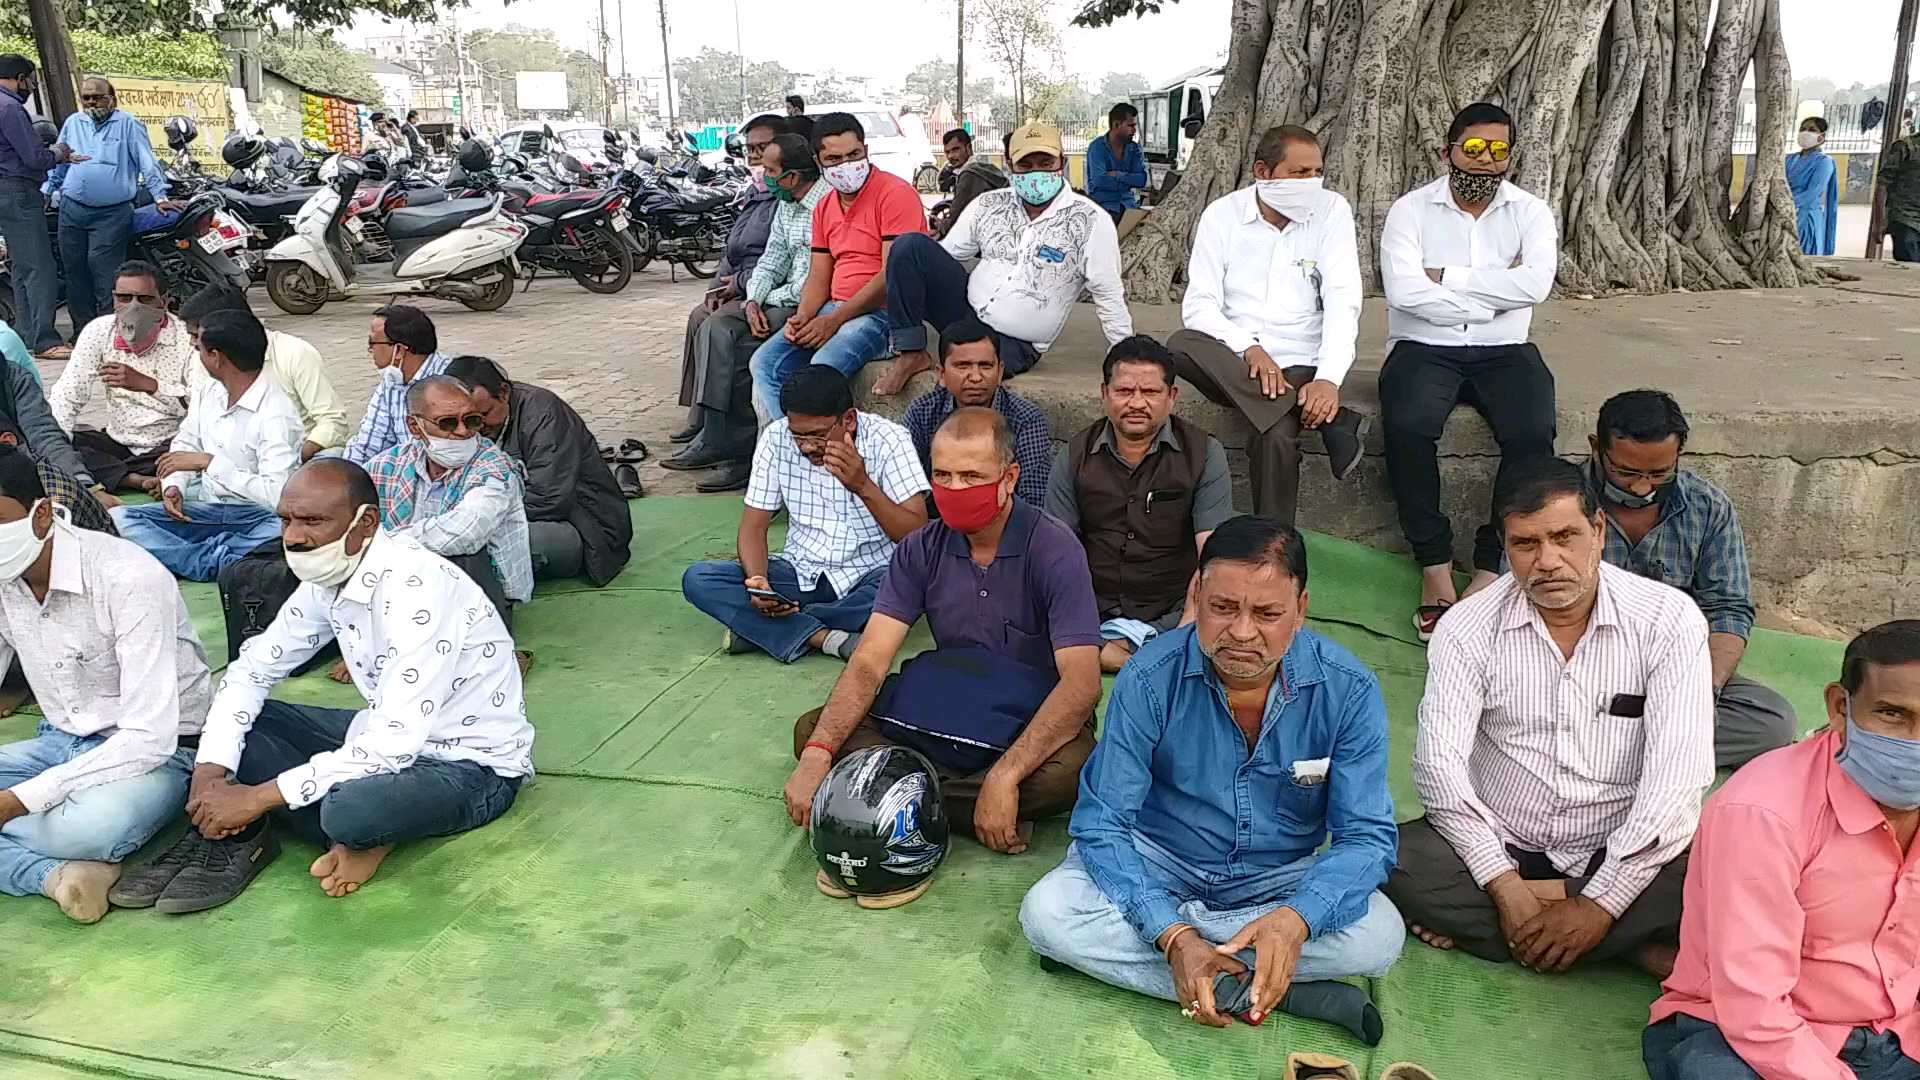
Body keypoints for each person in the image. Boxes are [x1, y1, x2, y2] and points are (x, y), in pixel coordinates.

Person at [1019, 515, 1403, 1036]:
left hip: (1278, 875)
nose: (1242, 633)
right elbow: (1103, 823)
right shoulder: (1149, 676)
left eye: (1267, 613)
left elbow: (1366, 837)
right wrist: (1172, 933)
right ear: (1197, 594)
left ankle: (1192, 962)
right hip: (1162, 858)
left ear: (1301, 610)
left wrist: (1295, 922)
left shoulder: (1348, 690)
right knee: (1047, 913)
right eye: (1223, 608)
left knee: (1380, 935)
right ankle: (1265, 987)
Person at [110, 458, 535, 911]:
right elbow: (253, 669)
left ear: (365, 522)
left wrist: (254, 798)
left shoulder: (419, 590)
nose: (292, 536)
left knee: (350, 811)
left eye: (312, 521)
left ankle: (351, 833)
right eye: (286, 519)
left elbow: (392, 748)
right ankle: (334, 835)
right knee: (212, 723)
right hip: (377, 734)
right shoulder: (330, 572)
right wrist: (209, 777)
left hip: (469, 764)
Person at [1385, 457, 1713, 978]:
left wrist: (1601, 902)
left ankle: (1538, 931)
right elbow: (1439, 770)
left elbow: (1677, 779)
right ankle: (1621, 943)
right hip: (1502, 844)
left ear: (1599, 530)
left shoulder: (1668, 621)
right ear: (1505, 546)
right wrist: (1503, 884)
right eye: (1526, 544)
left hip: (1621, 847)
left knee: (1723, 867)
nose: (1548, 561)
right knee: (1391, 856)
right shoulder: (1466, 628)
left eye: (1565, 537)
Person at [783, 408, 1102, 865]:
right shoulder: (921, 547)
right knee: (812, 732)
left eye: (972, 475)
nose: (954, 490)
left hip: (1024, 724)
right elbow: (871, 659)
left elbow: (1082, 684)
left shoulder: (1054, 549)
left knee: (1073, 771)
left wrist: (1006, 775)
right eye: (942, 475)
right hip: (940, 710)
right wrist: (818, 754)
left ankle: (902, 796)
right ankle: (962, 806)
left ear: (1009, 478)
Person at [1644, 620, 1920, 1080]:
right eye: (1892, 714)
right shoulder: (1763, 812)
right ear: (1839, 708)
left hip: (1897, 1032)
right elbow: (1753, 1004)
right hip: (1743, 1035)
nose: (1914, 744)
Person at [0, 445, 210, 922]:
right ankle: (53, 876)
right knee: (64, 822)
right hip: (61, 741)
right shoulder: (4, 575)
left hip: (158, 752)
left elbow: (149, 738)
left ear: (42, 515)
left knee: (96, 826)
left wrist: (19, 801)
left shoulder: (128, 577)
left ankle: (70, 852)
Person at [1378, 101, 1560, 641]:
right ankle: (1434, 565)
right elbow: (1405, 292)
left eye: (1498, 151)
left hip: (1506, 347)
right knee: (1408, 426)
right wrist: (1490, 293)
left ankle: (1488, 565)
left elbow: (1535, 288)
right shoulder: (1410, 211)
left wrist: (1447, 277)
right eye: (1474, 149)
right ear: (1448, 151)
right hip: (1423, 344)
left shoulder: (1530, 212)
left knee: (1532, 432)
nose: (1485, 161)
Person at [1169, 125, 1370, 525]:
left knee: (1275, 433)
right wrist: (1250, 348)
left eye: (1317, 172)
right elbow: (1200, 306)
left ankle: (1273, 545)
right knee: (1179, 344)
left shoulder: (1332, 211)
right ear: (1263, 171)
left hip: (1302, 360)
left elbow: (1343, 300)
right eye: (1299, 173)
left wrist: (1328, 380)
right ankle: (1337, 423)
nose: (1312, 183)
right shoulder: (1222, 216)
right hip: (1237, 362)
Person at [1589, 390, 1794, 769]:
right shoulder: (1557, 501)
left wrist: (1703, 691)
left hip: (1672, 667)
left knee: (1772, 723)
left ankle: (1606, 753)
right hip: (1579, 662)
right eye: (1627, 472)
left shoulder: (1709, 507)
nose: (1642, 487)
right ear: (1595, 448)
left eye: (1659, 474)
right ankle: (1653, 752)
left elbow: (1728, 609)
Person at [681, 366, 929, 664]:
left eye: (818, 435)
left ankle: (761, 628)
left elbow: (916, 535)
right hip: (800, 573)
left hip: (871, 574)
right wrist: (759, 582)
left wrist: (863, 485)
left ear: (848, 420)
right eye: (799, 435)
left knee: (915, 580)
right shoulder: (776, 438)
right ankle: (822, 636)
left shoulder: (890, 440)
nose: (807, 446)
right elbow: (752, 527)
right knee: (699, 578)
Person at [883, 120, 1131, 389]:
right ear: (1009, 165)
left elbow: (1108, 293)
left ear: (1062, 162)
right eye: (1026, 164)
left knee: (969, 372)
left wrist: (1127, 356)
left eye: (1045, 163)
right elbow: (945, 256)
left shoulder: (1090, 220)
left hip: (1015, 343)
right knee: (910, 246)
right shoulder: (989, 204)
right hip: (965, 311)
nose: (1036, 172)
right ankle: (910, 352)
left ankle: (961, 363)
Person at [1046, 336, 1235, 673]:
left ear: (1171, 397)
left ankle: (1150, 654)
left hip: (1175, 610)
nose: (1136, 403)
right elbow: (1057, 552)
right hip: (1093, 608)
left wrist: (1183, 633)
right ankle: (1140, 661)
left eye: (1149, 392)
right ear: (1105, 393)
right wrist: (1074, 618)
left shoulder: (1204, 453)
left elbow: (1212, 554)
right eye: (1124, 391)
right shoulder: (1074, 456)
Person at [667, 131, 828, 493]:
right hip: (774, 296)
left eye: (771, 170)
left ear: (792, 176)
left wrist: (769, 298)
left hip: (806, 304)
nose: (764, 175)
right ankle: (714, 434)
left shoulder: (825, 206)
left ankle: (739, 453)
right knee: (715, 326)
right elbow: (773, 258)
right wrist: (754, 298)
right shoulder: (786, 205)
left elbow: (813, 279)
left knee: (740, 344)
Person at [748, 112, 927, 417]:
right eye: (834, 158)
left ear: (866, 151)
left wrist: (833, 321)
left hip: (884, 315)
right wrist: (804, 317)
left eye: (853, 155)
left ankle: (828, 448)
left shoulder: (895, 194)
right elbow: (819, 275)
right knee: (765, 363)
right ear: (819, 163)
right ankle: (797, 447)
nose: (846, 165)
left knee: (821, 371)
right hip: (835, 308)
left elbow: (889, 276)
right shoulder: (825, 206)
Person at [109, 309, 302, 582]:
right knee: (118, 518)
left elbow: (277, 496)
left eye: (199, 347)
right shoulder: (210, 391)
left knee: (283, 533)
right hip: (205, 509)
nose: (194, 350)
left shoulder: (276, 413)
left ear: (216, 357)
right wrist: (175, 485)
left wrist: (210, 463)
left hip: (257, 517)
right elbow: (186, 442)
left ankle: (200, 558)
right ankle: (218, 560)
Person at [364, 375, 531, 628]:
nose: (463, 432)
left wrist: (384, 545)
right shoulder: (392, 463)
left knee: (463, 556)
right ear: (414, 426)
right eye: (448, 423)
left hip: (472, 596)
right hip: (403, 585)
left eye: (472, 421)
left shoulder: (495, 469)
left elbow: (466, 531)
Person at [448, 355, 632, 585]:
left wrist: (478, 518)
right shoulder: (461, 424)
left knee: (486, 543)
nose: (475, 427)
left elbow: (549, 499)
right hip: (502, 513)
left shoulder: (543, 413)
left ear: (504, 393)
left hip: (586, 526)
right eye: (468, 419)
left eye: (483, 415)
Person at [671, 114, 785, 451]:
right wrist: (717, 287)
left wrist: (741, 285)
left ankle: (719, 435)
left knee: (717, 327)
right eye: (749, 149)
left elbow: (781, 263)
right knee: (699, 315)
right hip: (745, 283)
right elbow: (732, 251)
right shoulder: (755, 195)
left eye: (762, 149)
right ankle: (700, 417)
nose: (754, 158)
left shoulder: (787, 201)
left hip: (768, 290)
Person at [48, 261, 200, 494]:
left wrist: (150, 386)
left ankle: (125, 476)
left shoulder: (186, 338)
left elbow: (201, 405)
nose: (134, 307)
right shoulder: (100, 331)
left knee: (198, 453)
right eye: (125, 298)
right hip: (117, 442)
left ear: (164, 300)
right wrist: (58, 446)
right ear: (114, 299)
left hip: (169, 443)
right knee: (57, 440)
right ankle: (134, 479)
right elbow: (68, 394)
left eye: (145, 299)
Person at [46, 78, 173, 332]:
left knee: (104, 273)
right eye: (87, 98)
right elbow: (61, 161)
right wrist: (47, 190)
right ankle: (82, 334)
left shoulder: (128, 123)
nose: (92, 102)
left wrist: (160, 197)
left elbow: (147, 162)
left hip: (112, 212)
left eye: (98, 97)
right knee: (74, 271)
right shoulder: (73, 122)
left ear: (112, 98)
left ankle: (108, 332)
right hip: (72, 208)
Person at [179, 287, 349, 461]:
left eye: (195, 335)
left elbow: (332, 421)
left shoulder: (294, 353)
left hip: (295, 457)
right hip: (228, 464)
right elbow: (194, 428)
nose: (192, 343)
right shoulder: (203, 358)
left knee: (332, 460)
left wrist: (294, 460)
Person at [902, 318, 1051, 510]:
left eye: (986, 366)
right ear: (941, 374)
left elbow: (1034, 499)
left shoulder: (1026, 419)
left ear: (1000, 372)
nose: (975, 377)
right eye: (962, 366)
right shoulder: (922, 413)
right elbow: (907, 490)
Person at [0, 55, 81, 360]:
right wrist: (59, 153)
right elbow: (34, 158)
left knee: (22, 268)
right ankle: (46, 340)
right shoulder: (10, 108)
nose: (30, 87)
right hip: (18, 191)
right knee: (40, 268)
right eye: (29, 81)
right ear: (20, 77)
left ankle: (25, 334)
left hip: (6, 194)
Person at [343, 304, 450, 465]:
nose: (369, 350)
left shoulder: (449, 381)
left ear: (399, 350)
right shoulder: (392, 380)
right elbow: (367, 445)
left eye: (372, 343)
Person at [937, 127, 1006, 240]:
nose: (950, 156)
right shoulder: (983, 166)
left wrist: (941, 226)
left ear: (968, 148)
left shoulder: (970, 174)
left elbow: (956, 217)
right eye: (947, 152)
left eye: (955, 150)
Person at [1086, 102, 1147, 224]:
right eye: (1130, 126)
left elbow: (1142, 180)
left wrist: (1118, 175)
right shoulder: (1097, 147)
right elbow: (1099, 180)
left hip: (1129, 206)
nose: (1134, 130)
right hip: (1103, 208)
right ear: (1116, 124)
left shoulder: (1134, 149)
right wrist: (1128, 180)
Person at [1789, 117, 1838, 257]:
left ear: (1821, 137)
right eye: (1802, 129)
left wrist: (1785, 204)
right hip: (1784, 214)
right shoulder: (1789, 159)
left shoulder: (1824, 162)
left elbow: (1812, 193)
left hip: (1805, 217)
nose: (1805, 133)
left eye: (1812, 130)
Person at [1878, 123, 1920, 263]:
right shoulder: (1906, 147)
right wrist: (1879, 222)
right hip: (1906, 219)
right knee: (1909, 270)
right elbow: (1883, 183)